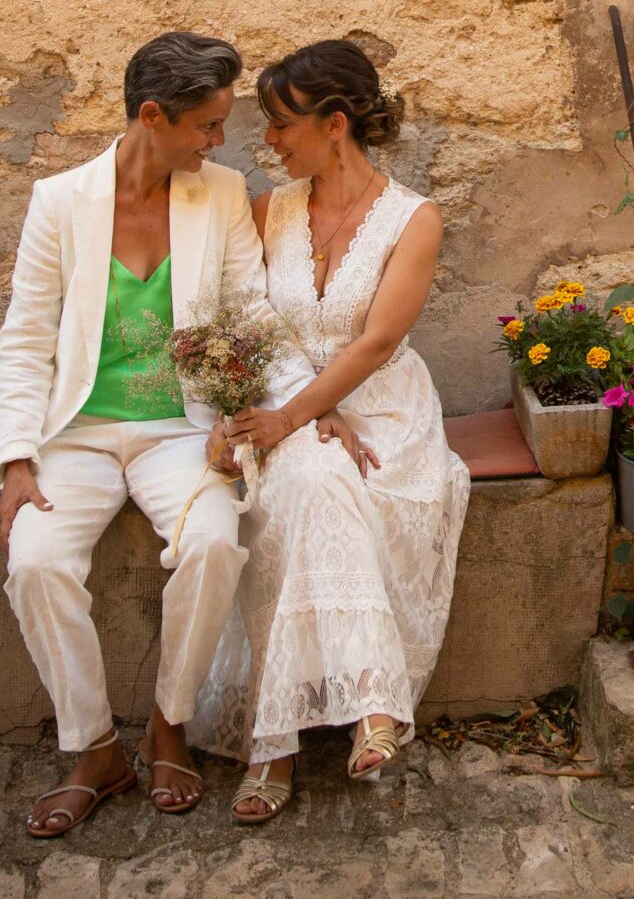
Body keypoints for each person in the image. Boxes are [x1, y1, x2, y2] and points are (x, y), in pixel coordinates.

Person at [0, 30, 362, 837]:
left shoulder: (220, 195)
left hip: (177, 430)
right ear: (151, 116)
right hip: (77, 434)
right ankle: (93, 749)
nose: (220, 141)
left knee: (214, 541)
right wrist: (16, 459)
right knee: (36, 560)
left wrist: (307, 402)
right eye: (205, 125)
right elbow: (24, 337)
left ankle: (169, 723)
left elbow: (250, 311)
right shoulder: (59, 203)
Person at [195, 40, 471, 824]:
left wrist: (306, 413)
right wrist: (303, 410)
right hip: (293, 404)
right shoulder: (267, 211)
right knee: (313, 476)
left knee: (325, 476)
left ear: (336, 123)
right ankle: (367, 705)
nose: (269, 142)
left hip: (382, 409)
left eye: (283, 124)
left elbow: (376, 342)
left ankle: (274, 745)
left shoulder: (414, 218)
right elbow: (251, 319)